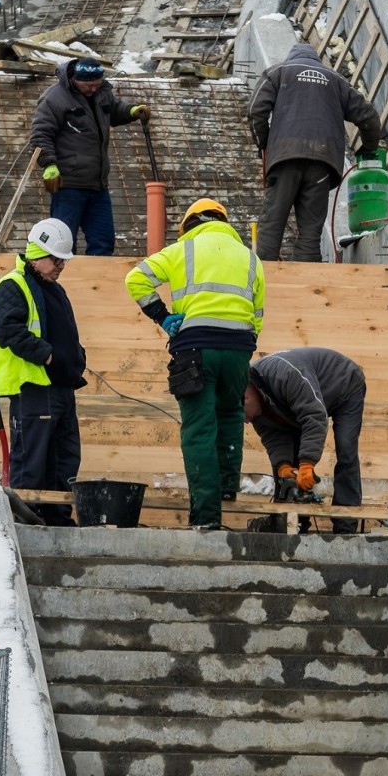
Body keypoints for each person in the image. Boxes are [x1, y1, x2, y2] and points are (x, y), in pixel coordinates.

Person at [125, 198, 265, 532]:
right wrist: (242, 346)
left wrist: (163, 317)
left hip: (195, 347)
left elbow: (135, 279)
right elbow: (257, 313)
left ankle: (206, 516)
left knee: (199, 427)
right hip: (238, 348)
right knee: (230, 412)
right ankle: (228, 484)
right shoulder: (250, 258)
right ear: (224, 223)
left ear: (187, 225)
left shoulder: (181, 250)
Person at [0, 217, 86, 526]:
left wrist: (75, 359)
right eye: (55, 259)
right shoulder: (12, 286)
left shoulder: (55, 291)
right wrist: (45, 355)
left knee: (65, 459)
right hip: (34, 387)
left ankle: (57, 519)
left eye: (63, 260)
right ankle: (26, 522)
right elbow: (7, 329)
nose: (60, 266)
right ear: (36, 253)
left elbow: (67, 333)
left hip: (60, 387)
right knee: (32, 459)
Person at [248, 42, 382, 262]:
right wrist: (368, 148)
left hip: (285, 158)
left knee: (272, 224)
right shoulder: (336, 80)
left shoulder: (278, 72)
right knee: (311, 231)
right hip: (323, 162)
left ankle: (266, 279)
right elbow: (370, 119)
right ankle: (308, 283)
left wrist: (263, 144)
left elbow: (255, 110)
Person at [29, 56, 150, 255]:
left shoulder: (102, 93)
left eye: (97, 84)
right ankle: (63, 283)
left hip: (98, 185)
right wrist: (49, 164)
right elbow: (41, 133)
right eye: (89, 85)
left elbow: (113, 110)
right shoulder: (55, 98)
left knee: (104, 242)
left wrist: (131, 111)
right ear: (75, 79)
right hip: (68, 185)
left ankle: (97, 284)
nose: (93, 89)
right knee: (64, 242)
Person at [244, 347, 366, 534]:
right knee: (286, 471)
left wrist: (307, 463)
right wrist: (283, 465)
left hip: (344, 383)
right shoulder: (256, 410)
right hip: (303, 401)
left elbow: (315, 416)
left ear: (247, 397)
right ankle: (295, 524)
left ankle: (345, 525)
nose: (245, 421)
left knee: (346, 448)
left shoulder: (284, 375)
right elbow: (274, 437)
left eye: (243, 415)